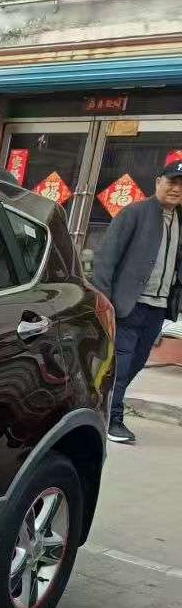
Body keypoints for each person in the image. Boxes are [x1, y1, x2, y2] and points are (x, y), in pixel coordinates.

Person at [91, 159, 182, 444]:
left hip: (158, 308)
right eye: (172, 182)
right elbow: (106, 259)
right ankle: (112, 418)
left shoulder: (180, 220)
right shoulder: (135, 213)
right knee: (121, 362)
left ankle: (100, 405)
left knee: (137, 362)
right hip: (128, 304)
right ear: (158, 182)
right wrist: (105, 302)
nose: (176, 189)